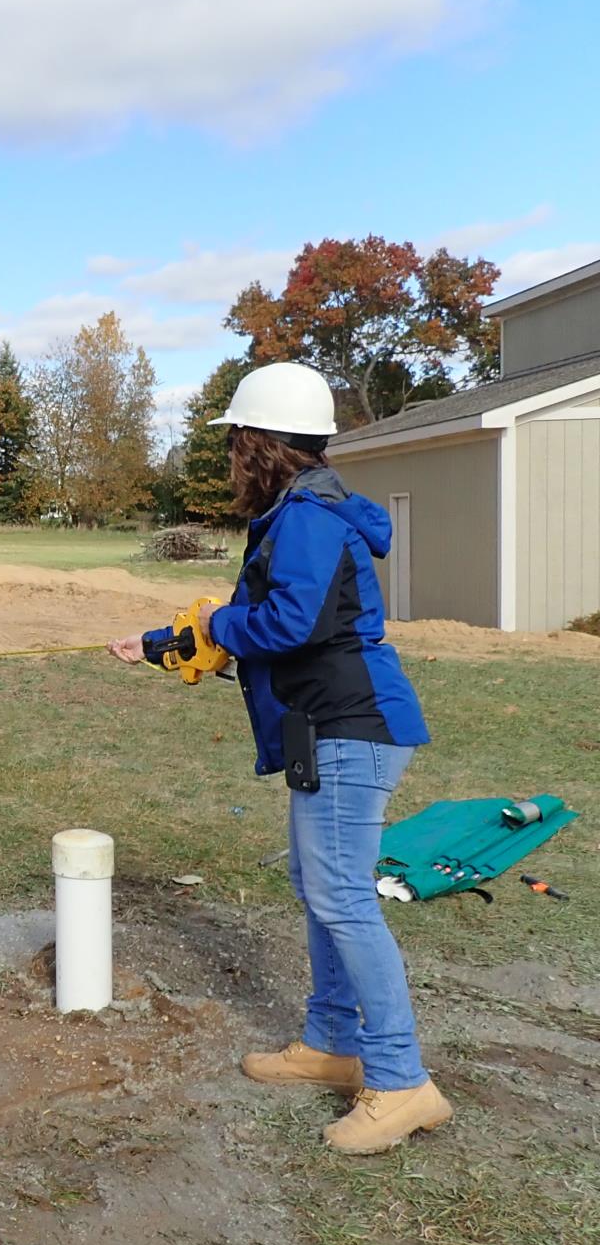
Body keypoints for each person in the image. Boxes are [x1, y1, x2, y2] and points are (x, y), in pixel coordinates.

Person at [106, 362, 449, 1155]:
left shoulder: (306, 519)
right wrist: (158, 643)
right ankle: (333, 1045)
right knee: (320, 886)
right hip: (327, 726)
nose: (231, 459)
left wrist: (220, 625)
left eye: (235, 443)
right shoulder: (305, 511)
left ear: (259, 443)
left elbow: (286, 622)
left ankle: (400, 1081)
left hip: (349, 724)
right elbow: (250, 619)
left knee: (343, 897)